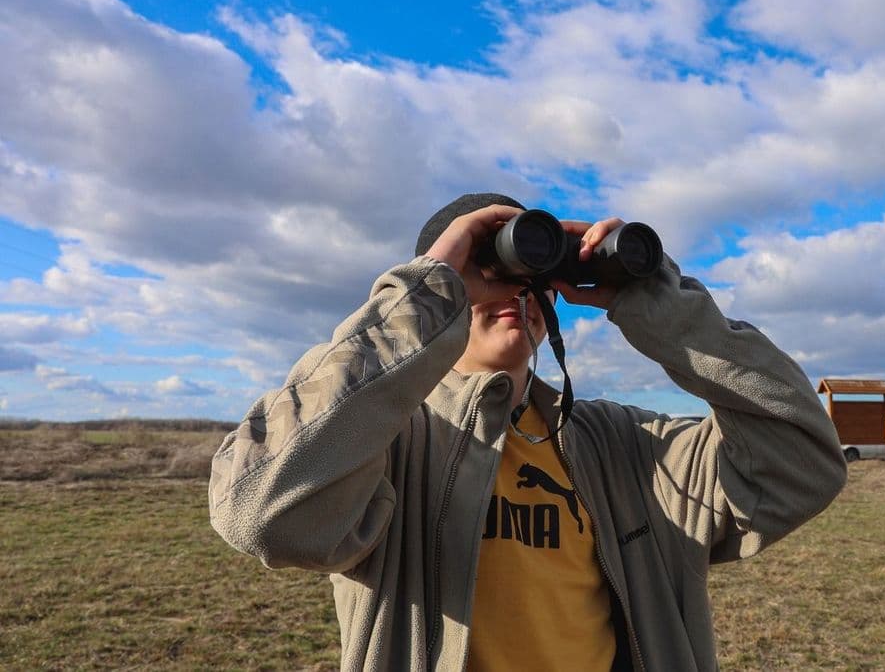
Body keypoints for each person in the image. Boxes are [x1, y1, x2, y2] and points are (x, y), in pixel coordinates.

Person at [209, 192, 847, 671]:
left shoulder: (625, 445)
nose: (514, 292)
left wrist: (660, 304)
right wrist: (422, 299)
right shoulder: (383, 443)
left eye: (528, 277)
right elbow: (259, 510)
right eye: (486, 271)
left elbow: (801, 461)